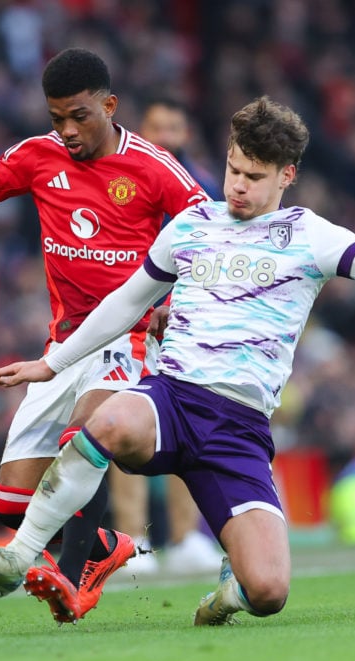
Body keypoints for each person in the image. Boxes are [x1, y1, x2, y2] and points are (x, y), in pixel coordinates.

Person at [0, 95, 355, 625]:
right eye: (232, 170)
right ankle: (19, 556)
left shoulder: (309, 236)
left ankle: (228, 592)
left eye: (254, 177)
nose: (237, 186)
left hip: (237, 430)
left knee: (269, 592)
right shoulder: (192, 224)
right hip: (172, 399)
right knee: (108, 422)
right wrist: (54, 363)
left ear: (286, 176)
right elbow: (125, 303)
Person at [0, 47, 209, 622]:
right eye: (57, 119)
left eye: (80, 116)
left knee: (89, 432)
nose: (68, 131)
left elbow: (209, 237)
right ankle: (103, 548)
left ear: (110, 105)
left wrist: (173, 301)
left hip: (128, 339)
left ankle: (73, 580)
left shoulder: (154, 168)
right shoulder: (37, 156)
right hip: (64, 344)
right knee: (10, 503)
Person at [107, 96, 225, 577]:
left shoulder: (206, 190)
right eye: (159, 128)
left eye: (175, 127)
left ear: (186, 134)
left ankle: (183, 537)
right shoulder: (121, 181)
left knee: (189, 425)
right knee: (122, 425)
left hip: (188, 322)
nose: (167, 137)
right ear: (144, 132)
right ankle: (132, 541)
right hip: (132, 320)